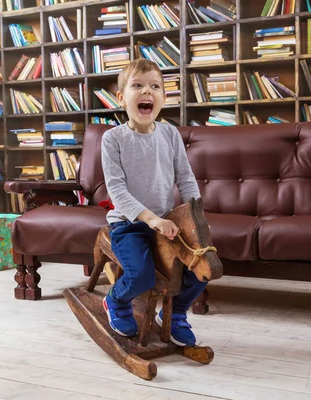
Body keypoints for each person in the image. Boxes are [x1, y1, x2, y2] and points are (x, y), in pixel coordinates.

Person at [101, 59, 206, 347]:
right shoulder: (112, 139)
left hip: (167, 222)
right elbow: (117, 191)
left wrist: (195, 217)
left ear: (163, 98)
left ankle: (176, 315)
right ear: (122, 98)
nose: (147, 91)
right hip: (129, 224)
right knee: (141, 277)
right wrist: (151, 219)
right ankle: (115, 302)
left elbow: (185, 178)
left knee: (202, 267)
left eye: (155, 86)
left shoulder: (170, 134)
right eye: (137, 85)